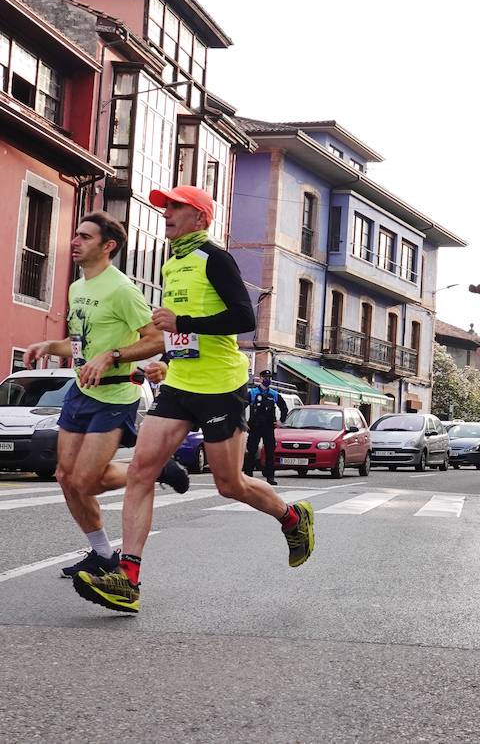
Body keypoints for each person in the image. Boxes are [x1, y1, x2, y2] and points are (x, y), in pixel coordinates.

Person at [73, 186, 316, 615]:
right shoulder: (172, 262)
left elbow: (242, 316)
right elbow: (176, 330)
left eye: (176, 207)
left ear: (200, 218)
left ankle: (292, 518)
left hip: (220, 384)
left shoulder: (214, 257)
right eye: (165, 207)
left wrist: (182, 320)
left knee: (230, 484)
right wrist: (165, 356)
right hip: (180, 382)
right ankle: (128, 579)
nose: (166, 213)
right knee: (143, 471)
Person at [23, 212, 189, 580]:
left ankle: (152, 469)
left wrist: (113, 356)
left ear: (107, 245)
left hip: (115, 394)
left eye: (85, 237)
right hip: (82, 391)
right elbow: (81, 344)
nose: (75, 242)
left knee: (85, 480)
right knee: (66, 477)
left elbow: (155, 339)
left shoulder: (122, 290)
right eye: (76, 235)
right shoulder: (78, 288)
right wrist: (50, 344)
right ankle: (101, 553)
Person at [245, 369, 289, 484]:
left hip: (268, 427)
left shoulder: (274, 394)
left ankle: (270, 477)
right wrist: (243, 422)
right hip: (255, 427)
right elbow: (241, 406)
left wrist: (281, 421)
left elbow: (284, 408)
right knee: (251, 451)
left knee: (270, 452)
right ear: (260, 378)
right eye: (265, 377)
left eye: (269, 378)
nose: (267, 380)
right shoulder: (253, 393)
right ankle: (248, 475)